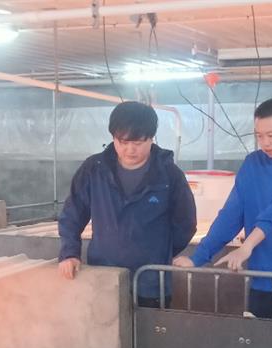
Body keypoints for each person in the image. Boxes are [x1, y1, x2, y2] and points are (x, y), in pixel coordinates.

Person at [174, 98, 272, 323]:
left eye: (271, 135)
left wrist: (247, 246)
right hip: (263, 278)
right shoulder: (252, 164)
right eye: (259, 136)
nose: (265, 143)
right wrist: (198, 257)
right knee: (259, 342)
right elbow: (231, 215)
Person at [57, 101, 197, 307]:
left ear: (151, 138)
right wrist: (69, 253)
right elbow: (72, 214)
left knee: (149, 328)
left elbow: (185, 223)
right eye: (123, 142)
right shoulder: (94, 170)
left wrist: (159, 251)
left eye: (138, 142)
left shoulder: (169, 175)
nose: (130, 149)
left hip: (151, 281)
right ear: (113, 137)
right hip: (103, 277)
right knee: (104, 326)